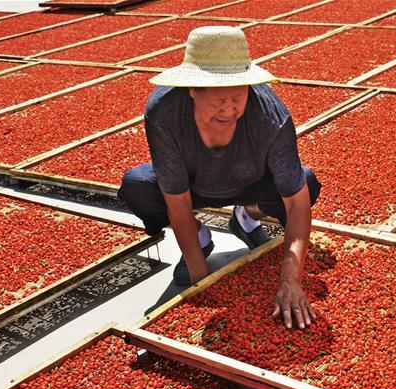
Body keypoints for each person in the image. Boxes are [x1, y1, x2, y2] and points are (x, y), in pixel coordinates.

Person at [119, 26, 321, 330]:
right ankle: (200, 239)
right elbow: (177, 200)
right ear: (192, 90)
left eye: (238, 96)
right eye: (218, 99)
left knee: (306, 182)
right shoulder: (164, 113)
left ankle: (248, 216)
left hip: (251, 183)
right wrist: (205, 282)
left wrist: (291, 279)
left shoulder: (270, 116)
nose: (229, 109)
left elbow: (296, 203)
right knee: (137, 187)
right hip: (194, 186)